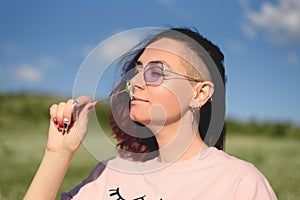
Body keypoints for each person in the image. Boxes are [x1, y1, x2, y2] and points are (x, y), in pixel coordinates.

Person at [24, 27, 277, 199]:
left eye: (156, 72)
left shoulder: (239, 183)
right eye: (136, 71)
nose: (135, 83)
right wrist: (58, 153)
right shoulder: (112, 171)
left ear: (199, 94)